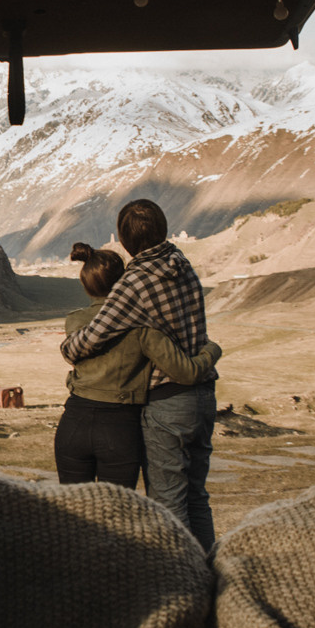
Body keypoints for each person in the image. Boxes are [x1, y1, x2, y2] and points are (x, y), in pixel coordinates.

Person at [61, 199, 219, 549]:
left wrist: (68, 348)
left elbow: (90, 338)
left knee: (168, 504)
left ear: (124, 239)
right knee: (196, 497)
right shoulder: (181, 262)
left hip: (168, 400)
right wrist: (211, 350)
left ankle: (182, 582)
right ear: (163, 228)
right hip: (205, 396)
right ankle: (210, 575)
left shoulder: (133, 284)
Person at [56, 243, 222, 489]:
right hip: (119, 430)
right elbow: (187, 373)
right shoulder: (143, 328)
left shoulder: (75, 321)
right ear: (125, 282)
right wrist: (212, 350)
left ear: (85, 285)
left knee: (72, 515)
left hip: (72, 424)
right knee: (118, 517)